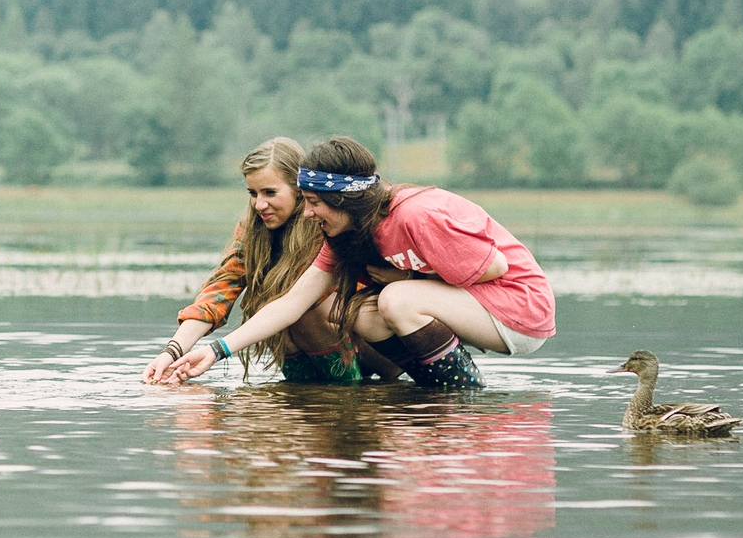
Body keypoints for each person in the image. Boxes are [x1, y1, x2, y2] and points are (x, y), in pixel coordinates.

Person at [151, 136, 555, 389]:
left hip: (518, 311)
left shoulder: (416, 214)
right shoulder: (344, 233)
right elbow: (289, 303)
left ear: (343, 201)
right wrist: (216, 351)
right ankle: (429, 398)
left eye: (313, 203)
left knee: (396, 299)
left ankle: (463, 394)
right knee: (365, 308)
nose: (308, 215)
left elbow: (495, 269)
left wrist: (413, 277)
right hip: (463, 313)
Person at [142, 137, 376, 386]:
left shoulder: (322, 222)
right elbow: (218, 294)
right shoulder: (251, 229)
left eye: (270, 193)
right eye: (253, 194)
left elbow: (297, 305)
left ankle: (350, 396)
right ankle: (307, 399)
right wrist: (172, 352)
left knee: (302, 312)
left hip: (369, 343)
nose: (259, 204)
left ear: (299, 191)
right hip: (305, 331)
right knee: (270, 311)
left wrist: (217, 350)